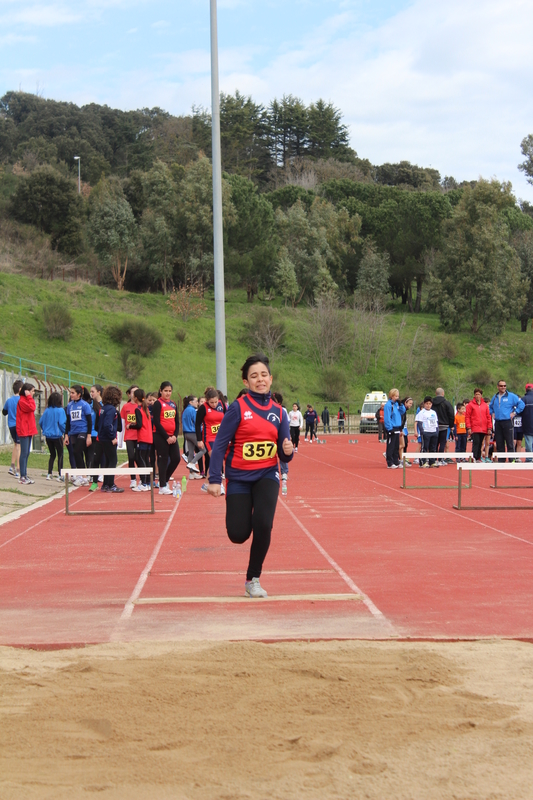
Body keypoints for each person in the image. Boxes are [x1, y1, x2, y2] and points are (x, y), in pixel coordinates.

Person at [206, 354, 293, 598]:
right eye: (254, 376)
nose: (260, 379)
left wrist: (287, 452)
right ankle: (245, 515)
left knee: (263, 524)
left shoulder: (279, 412)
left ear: (271, 378)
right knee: (238, 534)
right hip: (239, 479)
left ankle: (252, 579)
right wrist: (215, 479)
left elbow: (284, 452)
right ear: (246, 382)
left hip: (267, 474)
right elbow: (220, 445)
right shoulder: (237, 408)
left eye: (264, 375)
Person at [152, 381, 180, 496]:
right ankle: (162, 486)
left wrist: (174, 436)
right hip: (160, 436)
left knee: (176, 458)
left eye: (169, 391)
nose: (168, 393)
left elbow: (177, 422)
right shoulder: (158, 404)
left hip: (172, 436)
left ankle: (165, 480)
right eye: (165, 391)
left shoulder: (173, 404)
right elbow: (157, 423)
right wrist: (166, 437)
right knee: (163, 460)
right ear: (161, 391)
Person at [196, 387, 226, 491]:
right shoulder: (203, 408)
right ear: (207, 400)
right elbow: (197, 423)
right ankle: (219, 484)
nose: (214, 404)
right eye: (211, 402)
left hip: (220, 437)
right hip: (209, 437)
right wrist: (199, 440)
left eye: (215, 402)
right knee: (216, 459)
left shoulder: (222, 405)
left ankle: (205, 484)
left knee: (215, 460)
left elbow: (227, 418)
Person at [489, 380, 524, 461]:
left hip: (507, 421)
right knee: (499, 442)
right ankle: (501, 460)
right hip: (498, 422)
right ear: (498, 387)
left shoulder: (511, 396)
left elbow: (521, 404)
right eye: (501, 386)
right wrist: (492, 413)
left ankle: (512, 459)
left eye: (504, 386)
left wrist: (515, 412)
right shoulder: (495, 397)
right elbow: (490, 406)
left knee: (510, 442)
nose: (503, 387)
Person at [64, 384, 92, 485]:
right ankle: (83, 476)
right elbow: (68, 421)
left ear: (79, 394)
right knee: (77, 454)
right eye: (70, 393)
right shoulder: (70, 406)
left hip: (83, 431)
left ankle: (83, 476)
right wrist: (66, 434)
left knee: (77, 451)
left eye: (73, 393)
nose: (71, 395)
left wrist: (89, 435)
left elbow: (89, 421)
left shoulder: (85, 405)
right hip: (73, 432)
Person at [97, 385, 124, 493]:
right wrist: (113, 437)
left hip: (102, 437)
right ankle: (111, 484)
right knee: (113, 460)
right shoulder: (112, 409)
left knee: (108, 461)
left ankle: (106, 484)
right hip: (108, 438)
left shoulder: (103, 408)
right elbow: (108, 424)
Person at [129, 389, 153, 492]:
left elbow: (139, 424)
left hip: (143, 437)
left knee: (140, 459)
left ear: (135, 398)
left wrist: (130, 425)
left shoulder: (138, 409)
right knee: (146, 459)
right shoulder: (146, 408)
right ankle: (147, 482)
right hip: (148, 437)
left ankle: (144, 482)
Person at [39, 392, 66, 481]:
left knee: (52, 455)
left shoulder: (47, 410)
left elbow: (40, 422)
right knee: (60, 454)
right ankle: (60, 474)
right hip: (57, 436)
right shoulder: (60, 410)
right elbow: (62, 423)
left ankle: (49, 473)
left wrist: (45, 429)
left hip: (48, 436)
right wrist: (65, 432)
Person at [16, 383, 37, 485]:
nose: (33, 393)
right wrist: (28, 396)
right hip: (24, 430)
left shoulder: (28, 400)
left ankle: (25, 474)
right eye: (32, 391)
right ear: (26, 391)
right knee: (24, 453)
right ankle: (22, 476)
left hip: (29, 430)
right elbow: (32, 407)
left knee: (27, 453)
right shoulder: (22, 401)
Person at [2, 379, 23, 477]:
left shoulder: (9, 400)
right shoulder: (21, 400)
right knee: (19, 446)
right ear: (20, 389)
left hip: (11, 425)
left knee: (16, 444)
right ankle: (18, 470)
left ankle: (12, 466)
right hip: (19, 425)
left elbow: (4, 412)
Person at [121, 384, 140, 489]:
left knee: (139, 458)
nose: (135, 394)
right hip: (129, 436)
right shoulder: (125, 407)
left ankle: (142, 478)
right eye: (133, 392)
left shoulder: (141, 406)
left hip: (139, 436)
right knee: (131, 457)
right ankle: (133, 479)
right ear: (129, 394)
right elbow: (123, 422)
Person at [465, 389, 492, 462]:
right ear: (474, 395)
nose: (477, 396)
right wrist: (469, 427)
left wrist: (489, 427)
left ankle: (478, 457)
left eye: (479, 394)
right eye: (476, 394)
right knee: (476, 442)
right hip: (474, 427)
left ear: (481, 395)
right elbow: (467, 417)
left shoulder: (485, 405)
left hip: (483, 428)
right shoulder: (470, 405)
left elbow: (488, 417)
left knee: (480, 443)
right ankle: (474, 457)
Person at [181, 395, 204, 477]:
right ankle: (192, 463)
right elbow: (196, 422)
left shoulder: (185, 410)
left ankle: (191, 473)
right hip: (192, 432)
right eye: (196, 401)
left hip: (186, 433)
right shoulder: (192, 410)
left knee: (191, 452)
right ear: (191, 402)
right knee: (203, 450)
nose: (197, 403)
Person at [431, 388, 455, 466]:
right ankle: (440, 459)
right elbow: (451, 414)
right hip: (444, 425)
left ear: (435, 393)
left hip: (434, 425)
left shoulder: (431, 403)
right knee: (442, 442)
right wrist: (451, 425)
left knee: (435, 443)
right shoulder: (447, 403)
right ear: (443, 393)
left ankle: (433, 459)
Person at [383, 389, 406, 469]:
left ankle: (396, 461)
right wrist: (389, 428)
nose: (397, 397)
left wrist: (401, 404)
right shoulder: (388, 405)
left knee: (397, 446)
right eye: (396, 396)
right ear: (391, 396)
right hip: (391, 428)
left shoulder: (397, 404)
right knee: (391, 445)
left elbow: (403, 411)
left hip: (397, 427)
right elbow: (387, 418)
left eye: (398, 396)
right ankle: (390, 462)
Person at [273, 391, 290, 495]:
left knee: (283, 453)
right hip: (271, 436)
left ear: (279, 402)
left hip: (281, 435)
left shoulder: (282, 410)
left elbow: (286, 422)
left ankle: (284, 472)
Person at [415, 396, 439, 467]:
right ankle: (423, 462)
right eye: (427, 404)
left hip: (433, 432)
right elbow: (419, 423)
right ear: (424, 404)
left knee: (433, 447)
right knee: (424, 447)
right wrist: (422, 431)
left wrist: (437, 431)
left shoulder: (434, 412)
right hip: (426, 432)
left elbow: (436, 422)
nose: (428, 405)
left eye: (430, 404)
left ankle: (432, 461)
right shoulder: (422, 412)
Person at [398, 396, 413, 466]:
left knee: (405, 444)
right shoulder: (402, 410)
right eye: (410, 403)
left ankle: (403, 459)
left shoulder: (404, 410)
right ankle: (390, 453)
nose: (411, 405)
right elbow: (400, 420)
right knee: (402, 444)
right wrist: (401, 429)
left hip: (403, 429)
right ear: (405, 402)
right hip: (400, 429)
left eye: (412, 404)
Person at [521, 383, 533, 461]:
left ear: (526, 389)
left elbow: (519, 411)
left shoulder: (523, 399)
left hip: (527, 424)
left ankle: (529, 459)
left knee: (529, 442)